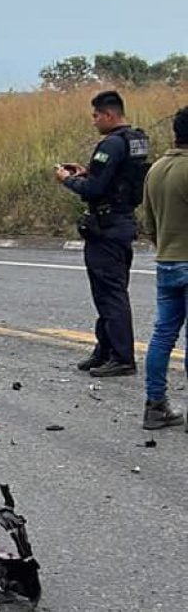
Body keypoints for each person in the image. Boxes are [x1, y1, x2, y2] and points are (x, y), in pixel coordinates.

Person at [55, 90, 148, 378]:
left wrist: (68, 180)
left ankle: (121, 357)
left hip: (107, 228)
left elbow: (94, 190)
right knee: (107, 292)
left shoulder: (111, 144)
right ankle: (105, 349)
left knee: (110, 293)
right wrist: (87, 172)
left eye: (96, 116)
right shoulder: (136, 140)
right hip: (122, 222)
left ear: (109, 115)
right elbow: (116, 180)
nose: (94, 121)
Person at [138, 107, 188, 429]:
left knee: (162, 337)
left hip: (166, 262)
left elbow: (149, 224)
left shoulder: (155, 169)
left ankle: (155, 405)